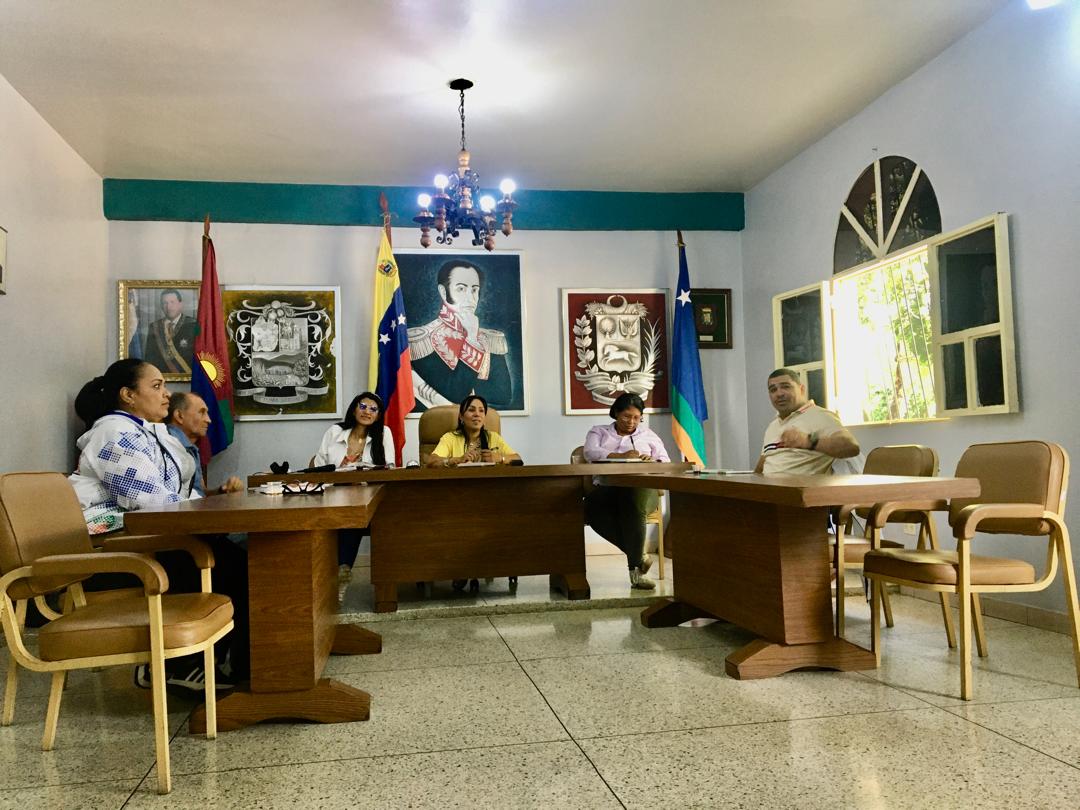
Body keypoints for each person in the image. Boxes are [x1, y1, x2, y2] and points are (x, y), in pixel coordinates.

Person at [68, 359, 249, 691]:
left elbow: (174, 495)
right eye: (156, 386)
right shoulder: (114, 433)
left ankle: (231, 664)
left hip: (148, 538)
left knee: (236, 559)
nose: (167, 394)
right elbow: (149, 501)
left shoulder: (146, 431)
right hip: (119, 549)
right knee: (233, 566)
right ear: (128, 395)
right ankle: (178, 665)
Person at [582, 392, 670, 590]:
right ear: (615, 413)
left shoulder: (648, 435)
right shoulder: (599, 431)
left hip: (643, 489)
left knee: (633, 501)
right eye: (626, 416)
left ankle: (636, 572)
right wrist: (619, 456)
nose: (631, 422)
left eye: (637, 418)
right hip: (608, 489)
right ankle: (640, 556)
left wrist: (651, 460)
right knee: (589, 508)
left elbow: (665, 461)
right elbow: (589, 452)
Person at [312, 392, 396, 582]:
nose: (367, 412)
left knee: (355, 512)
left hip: (368, 497)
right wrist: (340, 472)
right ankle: (334, 573)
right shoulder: (334, 431)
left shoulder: (384, 434)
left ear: (378, 415)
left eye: (373, 409)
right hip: (332, 495)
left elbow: (389, 470)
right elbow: (318, 468)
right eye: (363, 406)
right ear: (354, 409)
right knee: (346, 514)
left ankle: (341, 569)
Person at [408, 260, 514, 410]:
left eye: (474, 290)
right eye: (461, 289)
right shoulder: (422, 340)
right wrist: (471, 339)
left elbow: (503, 395)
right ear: (443, 291)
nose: (470, 298)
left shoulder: (490, 339)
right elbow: (456, 394)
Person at [753, 368, 860, 475]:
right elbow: (762, 465)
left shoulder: (821, 415)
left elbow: (851, 447)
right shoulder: (772, 426)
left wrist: (808, 441)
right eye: (773, 390)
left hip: (799, 485)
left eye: (786, 386)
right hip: (767, 485)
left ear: (802, 389)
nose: (779, 393)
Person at [165, 391, 243, 497]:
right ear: (179, 416)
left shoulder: (190, 448)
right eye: (202, 412)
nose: (208, 420)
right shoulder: (167, 446)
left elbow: (200, 493)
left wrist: (224, 490)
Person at [425, 394, 520, 467]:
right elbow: (431, 461)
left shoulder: (493, 437)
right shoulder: (450, 438)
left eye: (481, 411)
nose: (477, 414)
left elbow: (518, 459)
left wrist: (500, 458)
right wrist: (457, 460)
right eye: (471, 410)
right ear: (461, 417)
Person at [143, 288, 198, 375]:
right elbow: (149, 358)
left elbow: (200, 354)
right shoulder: (154, 327)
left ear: (180, 304)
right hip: (161, 377)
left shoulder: (194, 325)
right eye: (165, 303)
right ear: (161, 306)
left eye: (172, 302)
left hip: (188, 378)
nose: (168, 307)